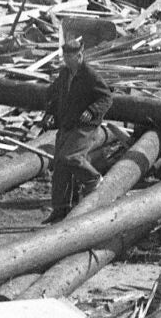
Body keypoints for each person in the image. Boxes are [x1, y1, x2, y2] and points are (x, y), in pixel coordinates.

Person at [46, 38, 115, 221]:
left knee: (71, 157)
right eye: (65, 56)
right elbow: (55, 96)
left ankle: (93, 179)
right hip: (67, 123)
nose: (67, 60)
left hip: (85, 126)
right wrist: (50, 114)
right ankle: (61, 209)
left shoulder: (90, 75)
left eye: (70, 56)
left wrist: (92, 111)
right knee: (60, 165)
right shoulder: (64, 74)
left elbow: (106, 98)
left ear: (79, 55)